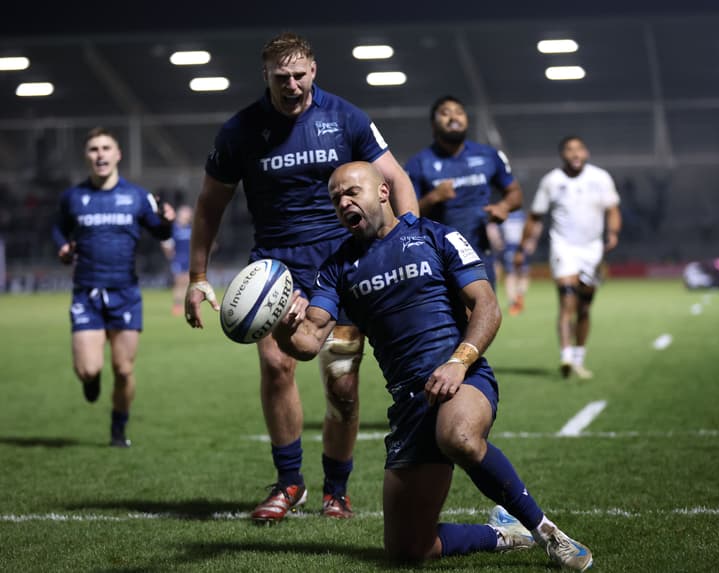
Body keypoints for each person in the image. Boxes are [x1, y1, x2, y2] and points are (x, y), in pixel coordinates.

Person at [274, 161, 593, 570]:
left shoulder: (435, 236)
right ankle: (503, 534)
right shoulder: (337, 268)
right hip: (409, 405)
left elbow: (487, 305)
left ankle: (548, 533)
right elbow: (309, 340)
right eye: (336, 198)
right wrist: (283, 324)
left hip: (463, 377)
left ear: (384, 192)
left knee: (459, 436)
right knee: (408, 550)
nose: (344, 202)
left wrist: (459, 363)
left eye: (352, 191)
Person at [184, 32, 418, 522]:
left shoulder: (346, 117)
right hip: (275, 267)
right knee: (276, 367)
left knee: (342, 385)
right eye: (280, 76)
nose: (291, 85)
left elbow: (395, 180)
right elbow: (209, 205)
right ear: (265, 76)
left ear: (314, 70)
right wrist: (197, 275)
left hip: (342, 264)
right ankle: (290, 483)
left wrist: (407, 239)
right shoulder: (241, 130)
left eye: (299, 74)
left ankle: (337, 488)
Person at [51, 127, 174, 447]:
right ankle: (91, 379)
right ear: (86, 156)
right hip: (87, 294)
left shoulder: (136, 196)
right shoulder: (73, 197)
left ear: (118, 154)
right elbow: (58, 229)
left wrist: (168, 220)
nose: (100, 154)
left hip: (125, 294)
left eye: (106, 148)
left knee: (123, 369)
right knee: (89, 370)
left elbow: (160, 232)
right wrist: (63, 248)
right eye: (93, 149)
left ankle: (118, 429)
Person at [517, 136, 621, 380]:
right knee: (567, 299)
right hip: (563, 247)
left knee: (584, 307)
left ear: (586, 153)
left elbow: (613, 209)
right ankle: (565, 355)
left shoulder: (601, 178)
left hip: (592, 250)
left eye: (579, 149)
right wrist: (522, 247)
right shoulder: (552, 181)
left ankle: (579, 358)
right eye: (569, 150)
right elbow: (535, 216)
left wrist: (613, 232)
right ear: (562, 155)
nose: (575, 154)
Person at [405, 95, 522, 286]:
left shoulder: (488, 155)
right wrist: (434, 197)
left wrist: (504, 206)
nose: (453, 117)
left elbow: (515, 193)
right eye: (445, 113)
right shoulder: (418, 163)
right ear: (433, 125)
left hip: (478, 253)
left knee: (485, 312)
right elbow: (406, 215)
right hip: (436, 256)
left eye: (459, 112)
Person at [161, 204, 193, 317]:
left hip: (189, 259)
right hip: (178, 259)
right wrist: (169, 254)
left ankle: (185, 305)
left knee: (187, 282)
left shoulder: (190, 228)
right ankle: (177, 305)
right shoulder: (174, 228)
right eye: (186, 214)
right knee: (179, 282)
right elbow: (165, 242)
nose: (188, 216)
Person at [500, 209, 531, 315]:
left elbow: (531, 228)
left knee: (521, 273)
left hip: (520, 247)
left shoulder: (521, 215)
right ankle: (514, 301)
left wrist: (531, 241)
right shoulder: (505, 213)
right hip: (511, 247)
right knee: (512, 274)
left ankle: (518, 297)